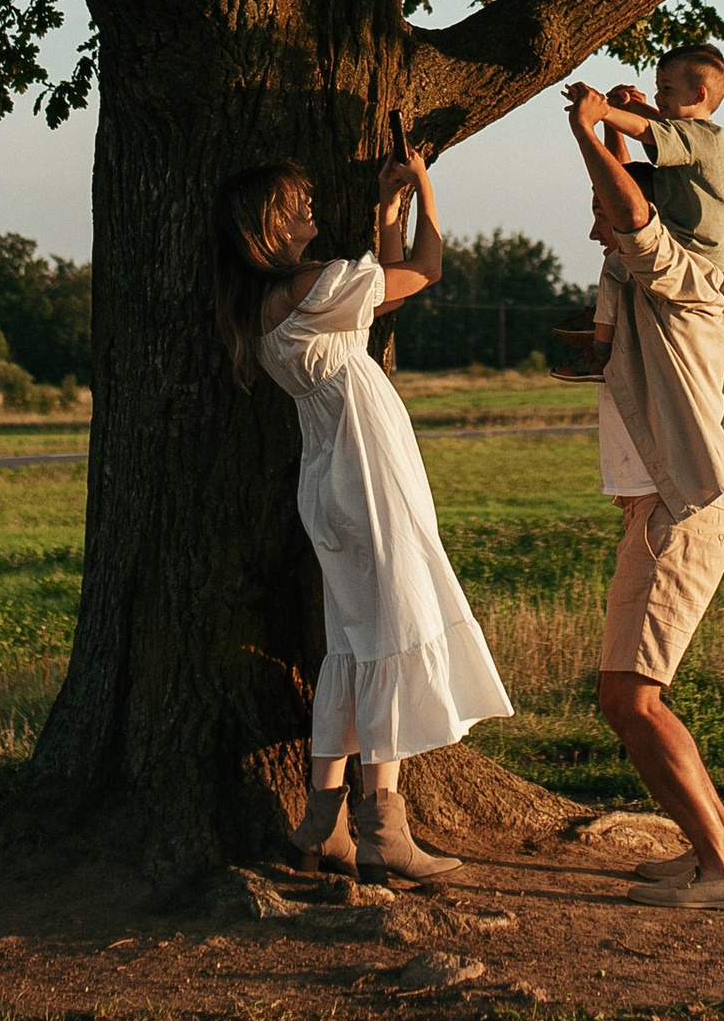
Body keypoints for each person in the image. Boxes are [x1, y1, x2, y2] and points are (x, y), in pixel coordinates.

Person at [214, 141, 511, 881]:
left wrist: (388, 209)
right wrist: (426, 195)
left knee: (353, 642)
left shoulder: (276, 301)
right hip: (369, 476)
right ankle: (384, 826)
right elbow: (426, 271)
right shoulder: (316, 281)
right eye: (296, 200)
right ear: (270, 223)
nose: (310, 206)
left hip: (329, 479)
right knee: (391, 632)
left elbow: (389, 291)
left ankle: (322, 821)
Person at [563, 45, 724, 908]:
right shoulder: (641, 290)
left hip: (683, 510)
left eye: (606, 208)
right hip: (660, 509)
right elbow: (629, 227)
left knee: (630, 700)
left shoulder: (686, 287)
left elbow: (640, 216)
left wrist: (590, 129)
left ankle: (721, 870)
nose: (599, 217)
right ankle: (723, 850)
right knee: (628, 696)